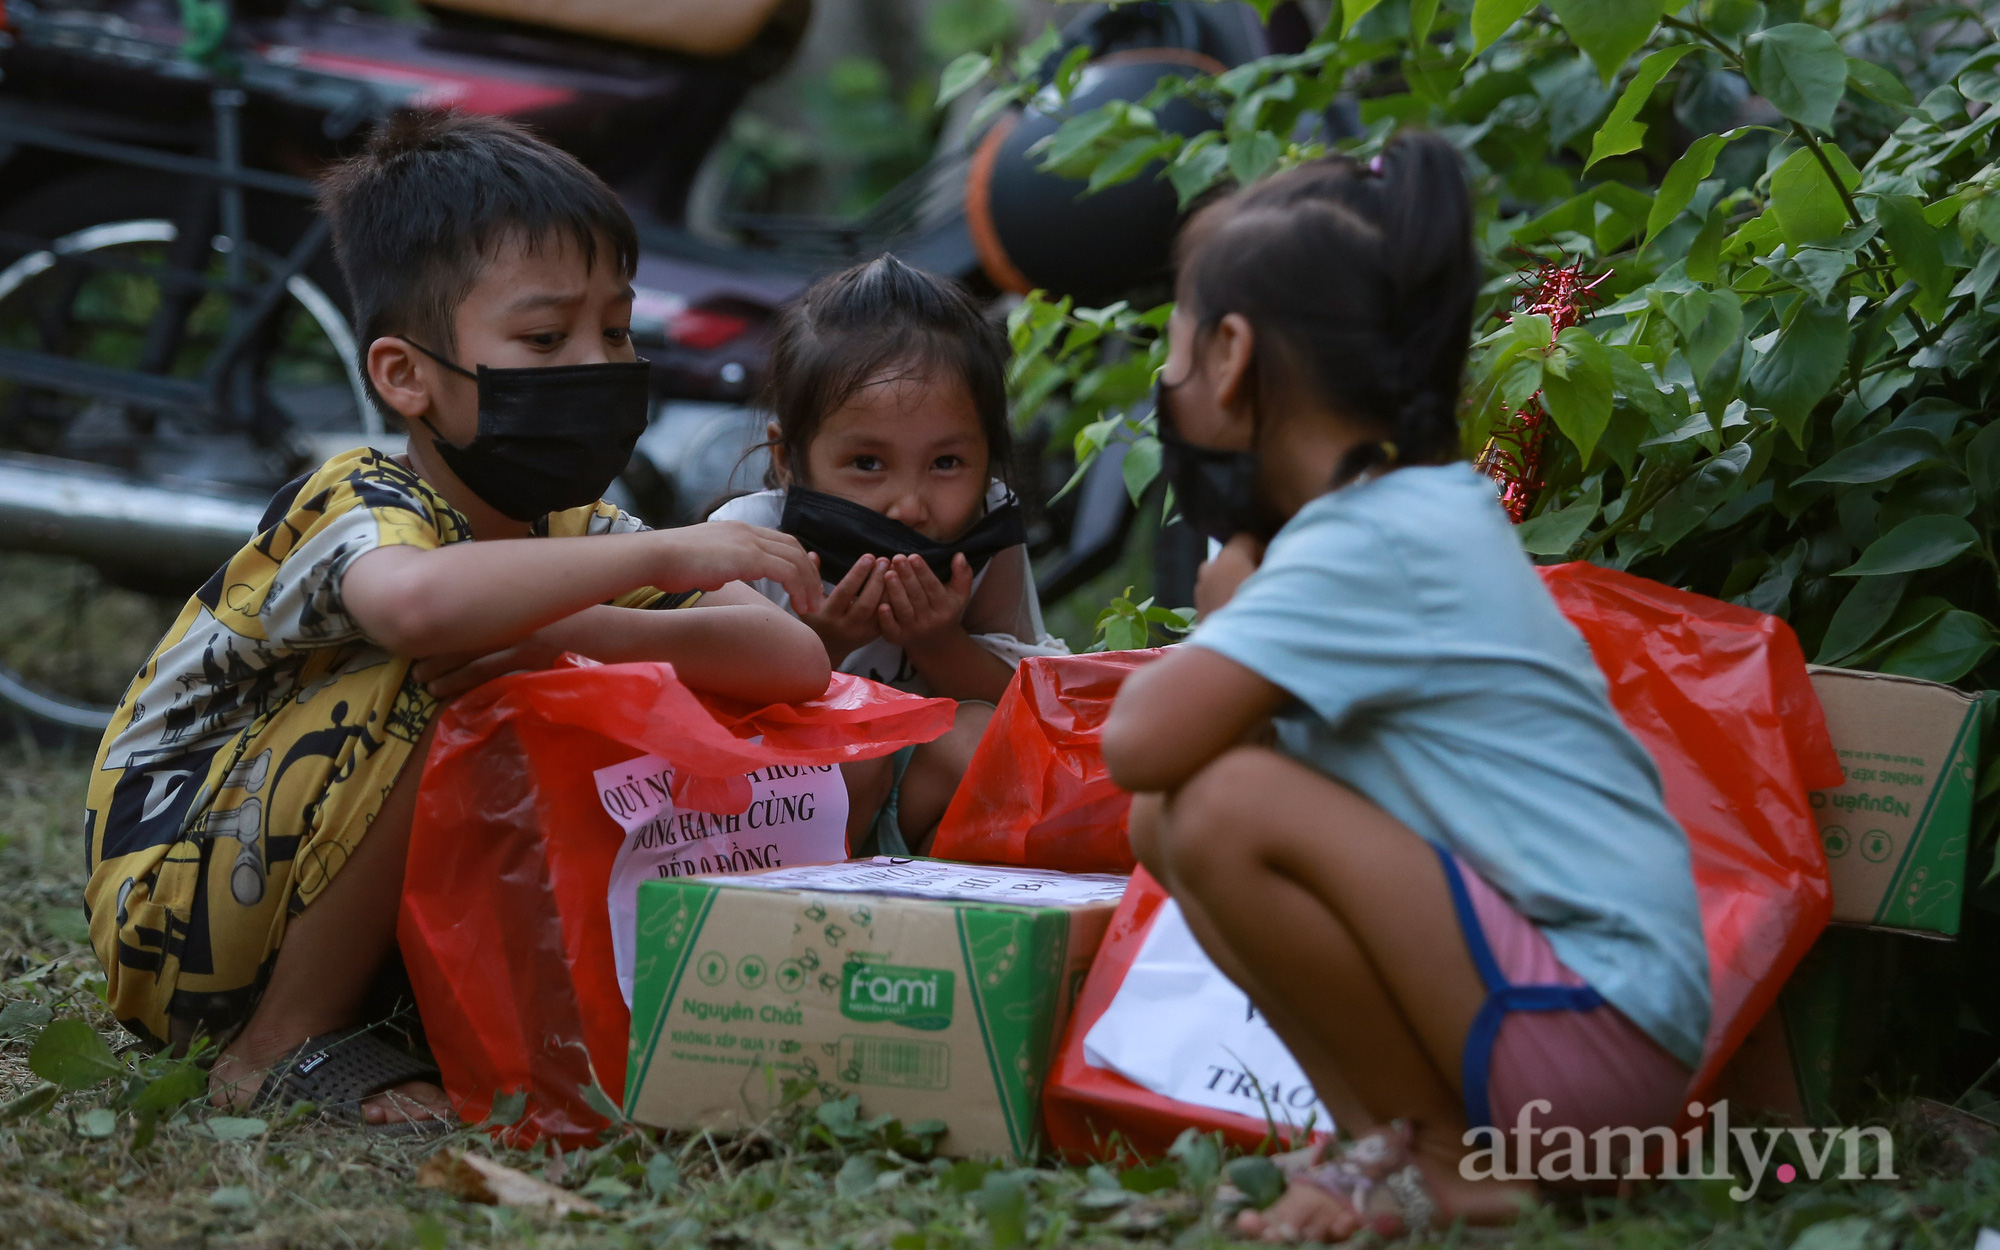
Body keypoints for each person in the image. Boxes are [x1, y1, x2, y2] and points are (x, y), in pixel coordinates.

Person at [81, 112, 831, 1131]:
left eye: (613, 329)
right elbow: (415, 602)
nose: (595, 362)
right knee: (458, 660)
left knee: (568, 661)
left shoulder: (577, 526)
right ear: (404, 375)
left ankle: (401, 1013)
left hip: (322, 891)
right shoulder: (360, 499)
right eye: (542, 336)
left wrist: (599, 630)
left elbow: (789, 659)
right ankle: (273, 1048)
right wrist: (661, 556)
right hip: (184, 914)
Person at [1100, 135, 1710, 1241]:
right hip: (1572, 1036)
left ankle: (1439, 1156)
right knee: (1181, 813)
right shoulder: (1402, 515)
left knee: (1218, 801)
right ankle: (1383, 1145)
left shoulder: (1370, 540)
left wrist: (1226, 611)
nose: (1170, 376)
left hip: (1588, 1037)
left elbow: (1140, 738)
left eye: (1176, 344)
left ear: (1233, 354)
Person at [708, 255, 1068, 856]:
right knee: (850, 763)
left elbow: (1027, 706)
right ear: (788, 459)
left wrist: (939, 642)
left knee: (986, 742)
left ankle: (945, 917)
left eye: (947, 463)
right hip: (772, 809)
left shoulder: (984, 529)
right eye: (867, 464)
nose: (909, 506)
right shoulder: (749, 539)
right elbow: (707, 719)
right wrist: (820, 646)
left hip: (917, 798)